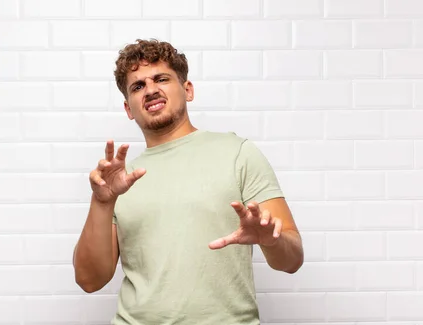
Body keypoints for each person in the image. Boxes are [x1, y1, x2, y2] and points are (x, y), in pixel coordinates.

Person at [72, 39, 304, 325]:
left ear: (187, 89)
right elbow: (89, 280)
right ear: (128, 108)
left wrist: (272, 240)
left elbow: (292, 260)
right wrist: (102, 201)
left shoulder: (237, 152)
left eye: (161, 78)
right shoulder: (120, 181)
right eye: (138, 86)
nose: (151, 89)